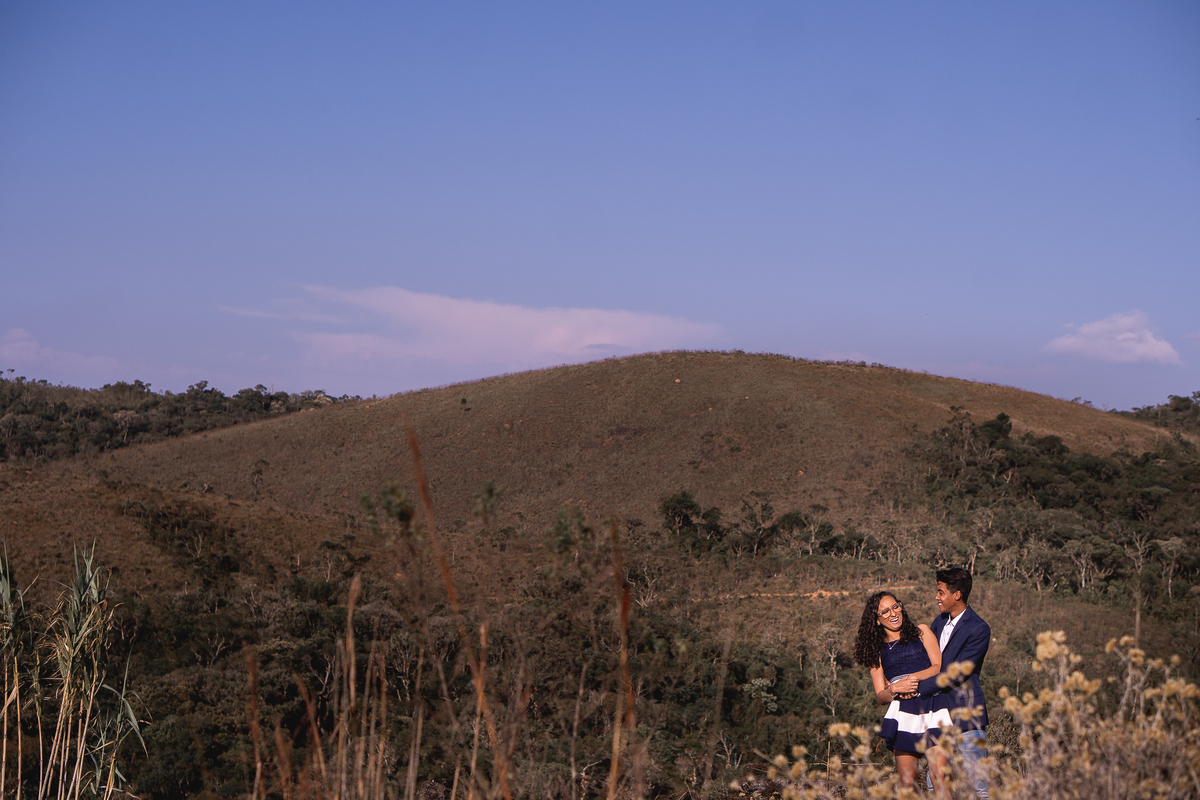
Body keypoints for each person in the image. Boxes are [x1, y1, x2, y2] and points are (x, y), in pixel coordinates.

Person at [852, 591, 944, 787]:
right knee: (907, 783)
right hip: (903, 713)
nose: (893, 613)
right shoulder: (876, 651)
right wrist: (894, 689)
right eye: (884, 612)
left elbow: (937, 667)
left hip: (933, 707)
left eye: (895, 607)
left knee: (940, 777)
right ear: (876, 620)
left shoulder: (922, 632)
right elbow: (881, 695)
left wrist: (912, 679)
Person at [915, 567, 992, 797]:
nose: (936, 597)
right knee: (935, 780)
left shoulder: (979, 628)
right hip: (936, 713)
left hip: (965, 713)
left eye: (940, 592)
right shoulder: (938, 622)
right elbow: (927, 659)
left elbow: (957, 673)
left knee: (977, 784)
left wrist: (919, 688)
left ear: (956, 594)